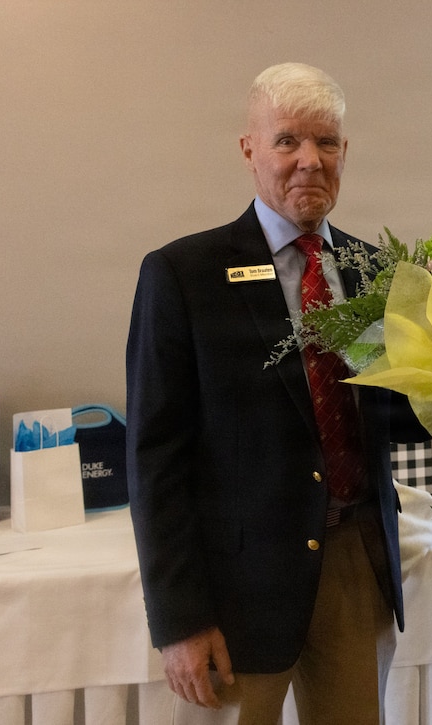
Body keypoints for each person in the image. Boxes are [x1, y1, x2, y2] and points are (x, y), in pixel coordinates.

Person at [126, 62, 410, 725]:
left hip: (352, 564)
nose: (309, 160)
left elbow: (399, 418)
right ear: (250, 149)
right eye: (287, 141)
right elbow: (155, 458)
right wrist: (180, 621)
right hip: (235, 591)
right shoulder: (182, 275)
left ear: (346, 152)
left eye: (328, 142)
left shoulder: (378, 273)